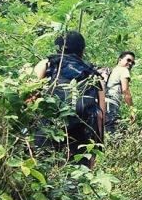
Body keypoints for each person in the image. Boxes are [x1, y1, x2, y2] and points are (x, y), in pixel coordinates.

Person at [32, 31, 105, 168]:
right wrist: (96, 149)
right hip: (80, 139)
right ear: (82, 51)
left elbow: (30, 97)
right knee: (75, 181)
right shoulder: (95, 77)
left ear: (58, 48)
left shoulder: (47, 64)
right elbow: (100, 115)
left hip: (46, 132)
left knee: (41, 176)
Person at [105, 51, 136, 135]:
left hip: (101, 104)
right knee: (112, 133)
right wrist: (132, 110)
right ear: (120, 60)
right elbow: (125, 90)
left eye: (132, 62)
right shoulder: (123, 70)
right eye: (128, 60)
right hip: (111, 104)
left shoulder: (110, 71)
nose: (130, 63)